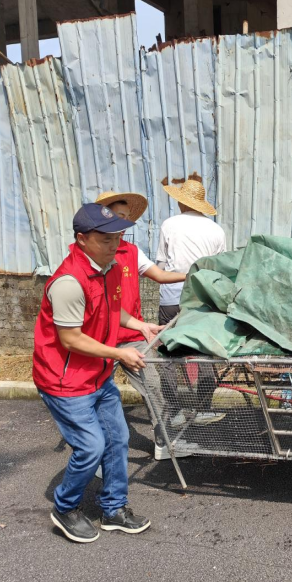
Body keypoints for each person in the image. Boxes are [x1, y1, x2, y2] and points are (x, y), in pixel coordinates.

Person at [33, 203, 162, 544]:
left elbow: (112, 311)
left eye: (118, 237)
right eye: (106, 240)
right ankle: (65, 508)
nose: (115, 245)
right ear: (82, 239)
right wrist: (120, 353)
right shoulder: (68, 282)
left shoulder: (111, 268)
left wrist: (140, 325)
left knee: (117, 439)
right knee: (91, 446)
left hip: (98, 375)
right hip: (65, 381)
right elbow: (71, 339)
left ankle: (113, 509)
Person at [94, 191, 187, 459]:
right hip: (99, 340)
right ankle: (98, 452)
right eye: (116, 215)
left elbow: (159, 275)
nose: (122, 222)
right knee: (97, 394)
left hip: (131, 334)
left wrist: (191, 274)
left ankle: (163, 442)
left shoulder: (132, 252)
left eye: (125, 217)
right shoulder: (93, 252)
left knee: (153, 386)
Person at [157, 175, 227, 427]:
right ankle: (203, 408)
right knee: (204, 351)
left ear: (181, 202)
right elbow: (219, 268)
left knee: (166, 353)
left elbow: (161, 265)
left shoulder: (169, 225)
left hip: (171, 297)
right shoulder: (216, 230)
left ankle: (174, 411)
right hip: (201, 299)